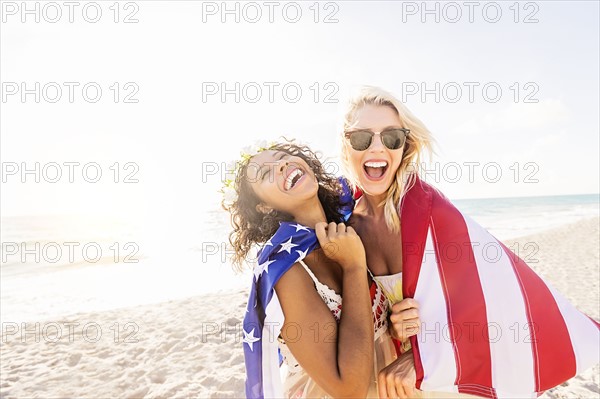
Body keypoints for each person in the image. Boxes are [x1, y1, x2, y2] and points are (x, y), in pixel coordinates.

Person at [338, 86, 600, 399]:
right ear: (345, 145)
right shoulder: (345, 226)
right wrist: (396, 326)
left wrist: (422, 357)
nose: (377, 148)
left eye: (391, 137)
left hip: (449, 375)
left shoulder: (433, 213)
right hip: (394, 375)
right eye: (362, 137)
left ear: (405, 146)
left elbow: (491, 300)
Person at [223, 140, 397, 398]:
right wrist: (354, 267)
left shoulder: (354, 226)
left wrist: (398, 322)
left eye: (282, 156)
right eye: (265, 173)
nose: (281, 164)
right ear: (264, 206)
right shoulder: (288, 271)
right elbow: (350, 389)